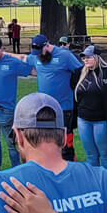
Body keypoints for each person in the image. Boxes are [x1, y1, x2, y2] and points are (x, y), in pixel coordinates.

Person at [28, 34, 84, 163]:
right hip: (44, 108)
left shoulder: (65, 55)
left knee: (65, 142)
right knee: (46, 140)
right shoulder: (36, 57)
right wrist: (5, 54)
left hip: (64, 108)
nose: (38, 55)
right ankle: (50, 166)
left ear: (47, 45)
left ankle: (69, 166)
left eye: (40, 52)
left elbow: (81, 71)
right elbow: (23, 58)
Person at [0, 35, 33, 171]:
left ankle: (16, 170)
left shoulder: (13, 62)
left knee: (11, 143)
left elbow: (30, 70)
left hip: (6, 110)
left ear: (2, 49)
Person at [74, 44, 107, 172]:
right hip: (83, 120)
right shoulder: (79, 73)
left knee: (105, 155)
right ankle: (94, 181)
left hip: (102, 121)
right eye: (83, 57)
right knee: (90, 155)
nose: (85, 60)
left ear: (97, 57)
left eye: (88, 57)